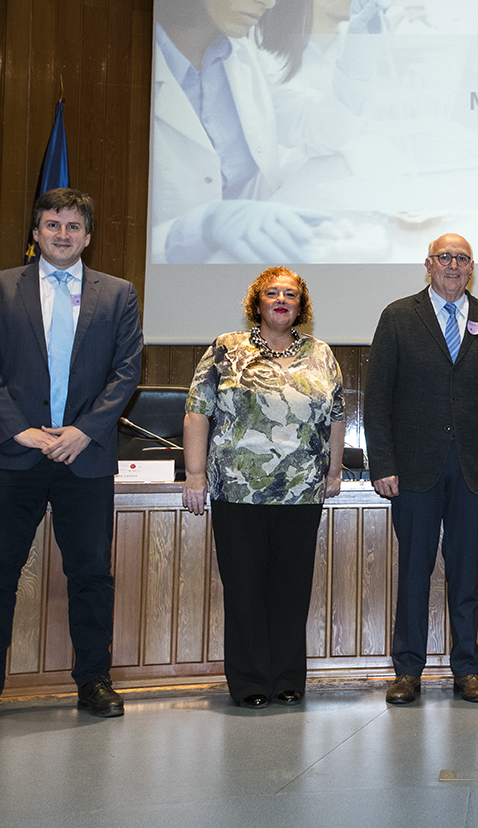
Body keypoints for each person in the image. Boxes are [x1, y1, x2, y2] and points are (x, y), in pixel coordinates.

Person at [0, 188, 143, 731]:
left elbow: (126, 371)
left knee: (90, 576)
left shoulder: (119, 294)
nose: (63, 234)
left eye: (74, 227)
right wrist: (22, 431)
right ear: (36, 232)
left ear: (88, 235)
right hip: (16, 457)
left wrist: (85, 430)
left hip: (85, 457)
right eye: (53, 225)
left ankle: (94, 680)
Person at [149, 0, 384, 264]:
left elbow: (322, 130)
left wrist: (359, 55)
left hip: (258, 272)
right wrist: (198, 228)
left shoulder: (246, 59)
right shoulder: (125, 69)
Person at [364, 234, 478, 704]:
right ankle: (407, 671)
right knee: (414, 570)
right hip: (413, 471)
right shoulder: (398, 316)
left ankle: (467, 671)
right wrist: (383, 463)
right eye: (445, 257)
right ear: (428, 264)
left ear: (472, 267)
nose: (453, 265)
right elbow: (378, 399)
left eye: (462, 258)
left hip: (473, 470)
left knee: (466, 572)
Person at [180, 267, 345, 708]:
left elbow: (337, 415)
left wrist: (333, 472)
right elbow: (197, 411)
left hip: (302, 491)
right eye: (272, 292)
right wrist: (195, 474)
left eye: (290, 294)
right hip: (237, 490)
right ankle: (251, 681)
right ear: (257, 301)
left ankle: (288, 678)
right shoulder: (225, 349)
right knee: (246, 587)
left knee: (291, 587)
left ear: (300, 305)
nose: (281, 300)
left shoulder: (321, 352)